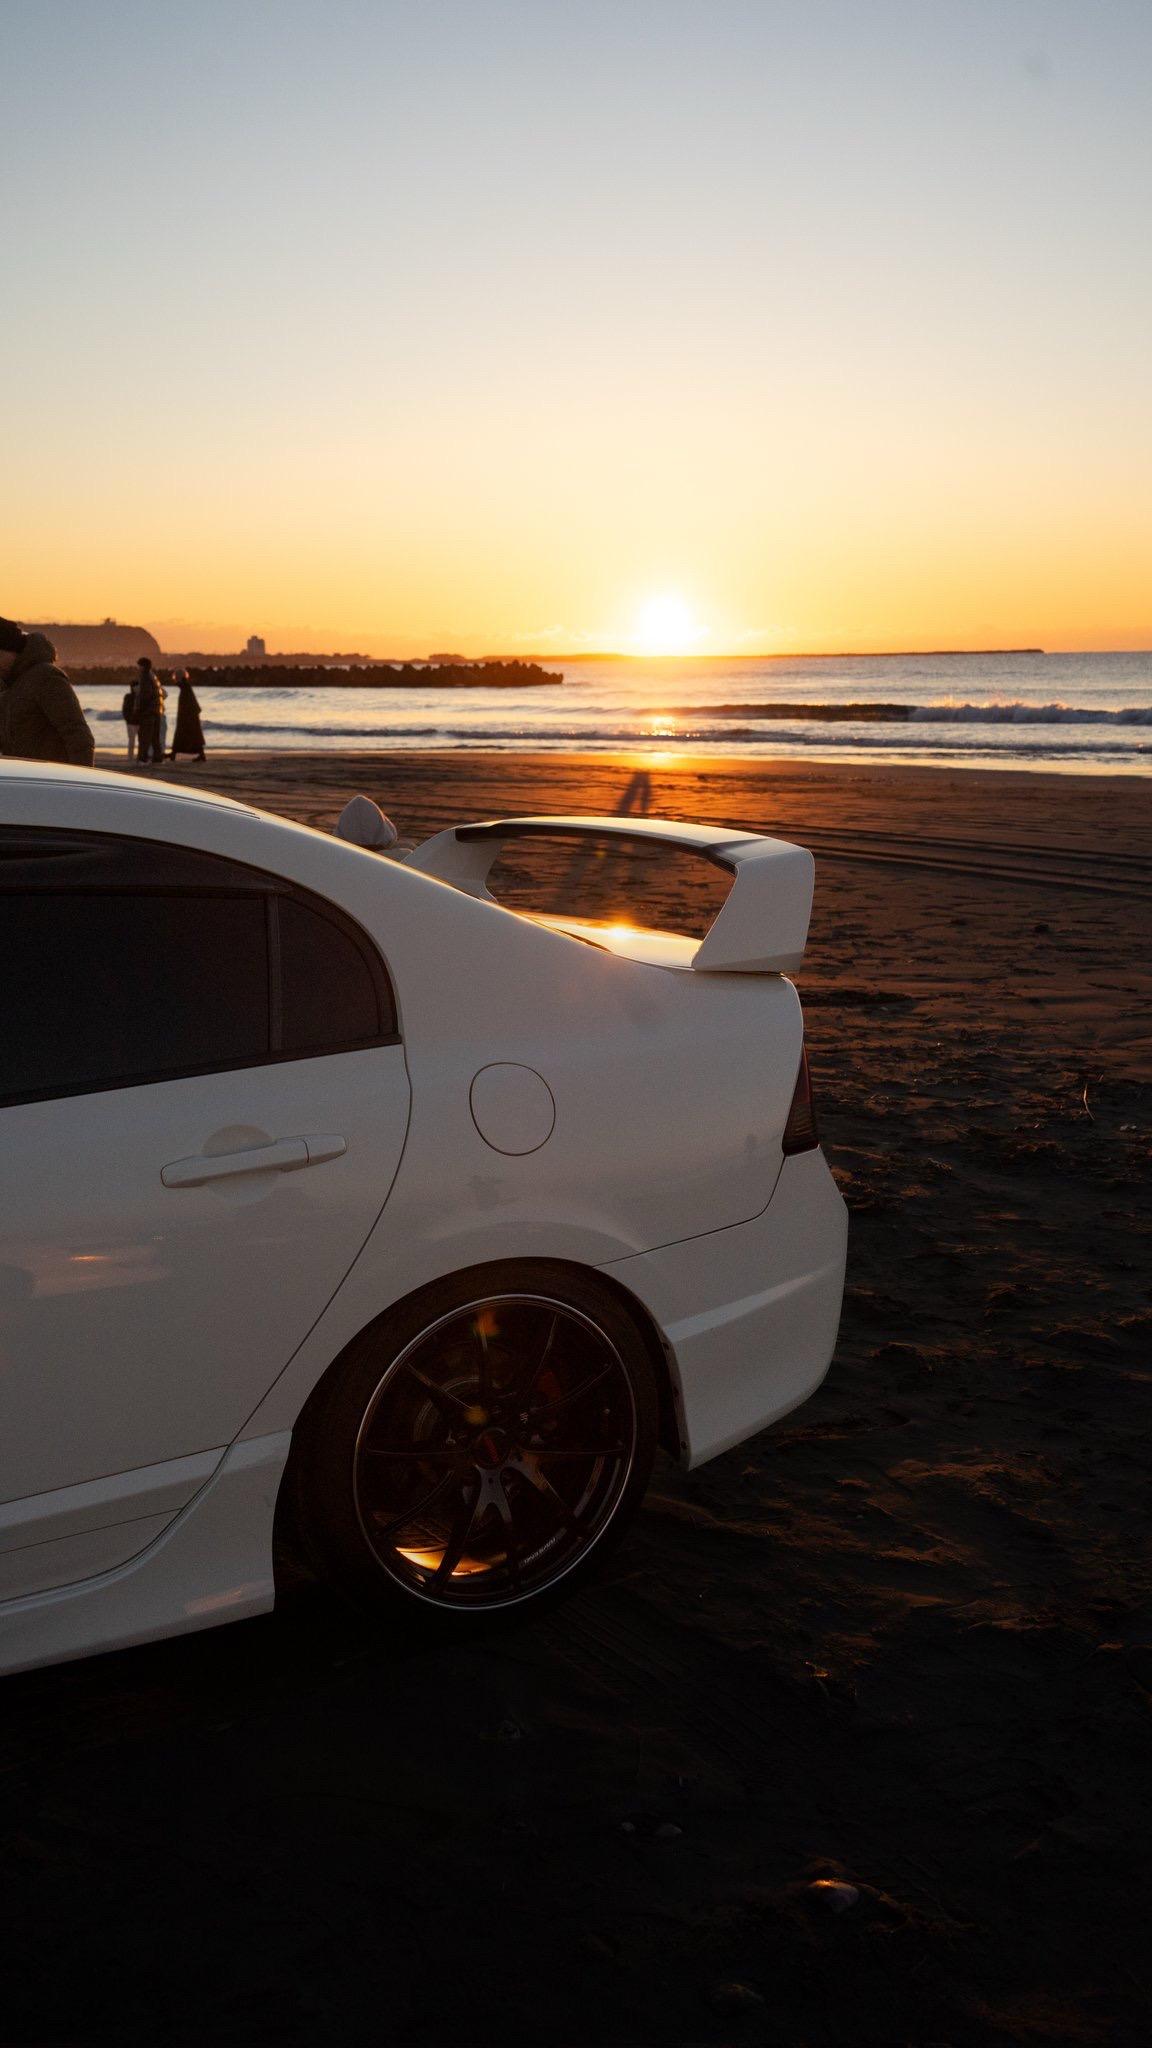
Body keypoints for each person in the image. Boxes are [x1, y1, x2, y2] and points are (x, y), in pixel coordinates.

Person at [0, 617, 95, 766]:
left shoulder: (46, 677)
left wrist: (81, 777)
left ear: (13, 650)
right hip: (23, 776)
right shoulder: (8, 685)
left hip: (51, 776)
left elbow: (77, 735)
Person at [169, 670, 207, 760]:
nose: (174, 681)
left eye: (175, 678)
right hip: (189, 715)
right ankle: (174, 753)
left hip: (188, 716)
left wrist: (187, 716)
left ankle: (174, 753)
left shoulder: (185, 687)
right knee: (192, 736)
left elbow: (189, 702)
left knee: (188, 735)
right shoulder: (185, 686)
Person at [134, 655, 164, 765]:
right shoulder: (153, 676)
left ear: (142, 666)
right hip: (156, 711)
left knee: (144, 737)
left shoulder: (145, 677)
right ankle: (157, 759)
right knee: (155, 738)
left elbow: (145, 696)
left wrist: (139, 710)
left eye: (139, 666)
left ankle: (143, 759)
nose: (138, 668)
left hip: (148, 712)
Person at [122, 674, 140, 760]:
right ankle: (130, 757)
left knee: (140, 741)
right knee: (131, 741)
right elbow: (125, 709)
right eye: (134, 686)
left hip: (139, 722)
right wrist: (127, 719)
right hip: (131, 722)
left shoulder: (141, 697)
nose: (136, 688)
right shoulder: (128, 696)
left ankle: (139, 757)